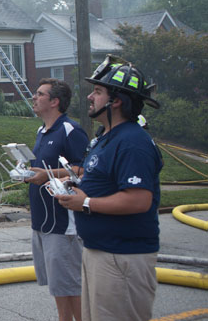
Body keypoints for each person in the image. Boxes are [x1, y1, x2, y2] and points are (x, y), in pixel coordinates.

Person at [56, 55, 162, 321]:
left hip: (122, 257)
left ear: (116, 101)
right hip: (100, 252)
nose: (90, 97)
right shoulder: (106, 138)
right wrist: (78, 187)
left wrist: (86, 203)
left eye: (98, 91)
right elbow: (106, 184)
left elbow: (138, 201)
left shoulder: (132, 143)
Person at [25, 78, 88, 321]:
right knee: (57, 284)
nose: (34, 97)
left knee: (72, 284)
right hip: (42, 220)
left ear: (55, 101)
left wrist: (48, 175)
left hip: (64, 222)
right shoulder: (41, 131)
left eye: (40, 94)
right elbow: (41, 171)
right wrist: (29, 174)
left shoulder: (70, 130)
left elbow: (84, 169)